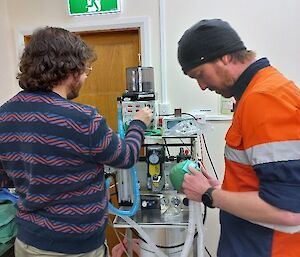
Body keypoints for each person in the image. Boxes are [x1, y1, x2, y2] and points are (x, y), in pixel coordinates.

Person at [0, 26, 153, 257]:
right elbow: (126, 157)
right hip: (78, 248)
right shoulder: (84, 118)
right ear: (69, 69)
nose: (84, 77)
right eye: (84, 70)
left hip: (29, 243)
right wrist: (139, 123)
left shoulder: (4, 115)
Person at [177, 19, 300, 257]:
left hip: (265, 248)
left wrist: (209, 195)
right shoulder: (262, 90)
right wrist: (223, 188)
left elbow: (288, 210)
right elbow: (267, 182)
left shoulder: (264, 99)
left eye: (200, 74)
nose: (202, 86)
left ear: (224, 57)